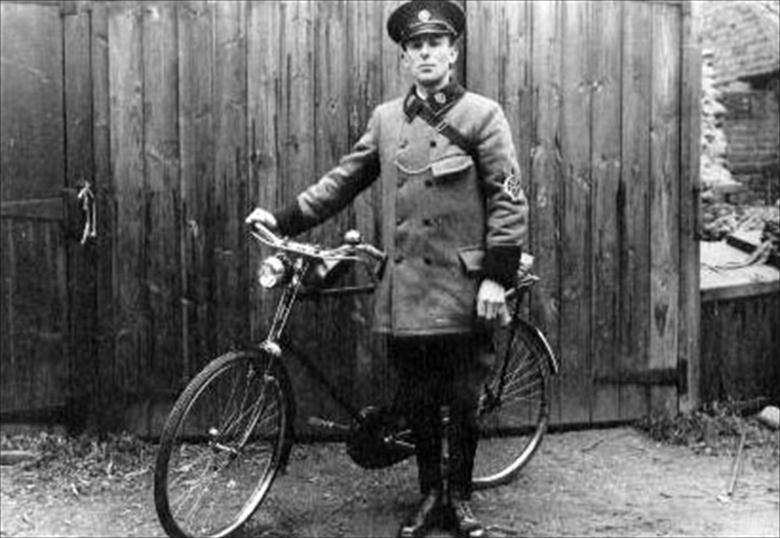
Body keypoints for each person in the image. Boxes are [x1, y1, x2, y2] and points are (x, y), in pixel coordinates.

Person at [246, 1, 528, 536]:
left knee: (464, 402)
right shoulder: (386, 120)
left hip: (466, 288)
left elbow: (509, 201)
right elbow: (342, 181)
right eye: (415, 47)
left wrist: (497, 276)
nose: (425, 54)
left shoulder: (482, 116)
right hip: (407, 293)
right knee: (419, 400)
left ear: (453, 52)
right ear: (405, 58)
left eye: (434, 44)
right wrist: (284, 217)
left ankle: (460, 499)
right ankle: (428, 498)